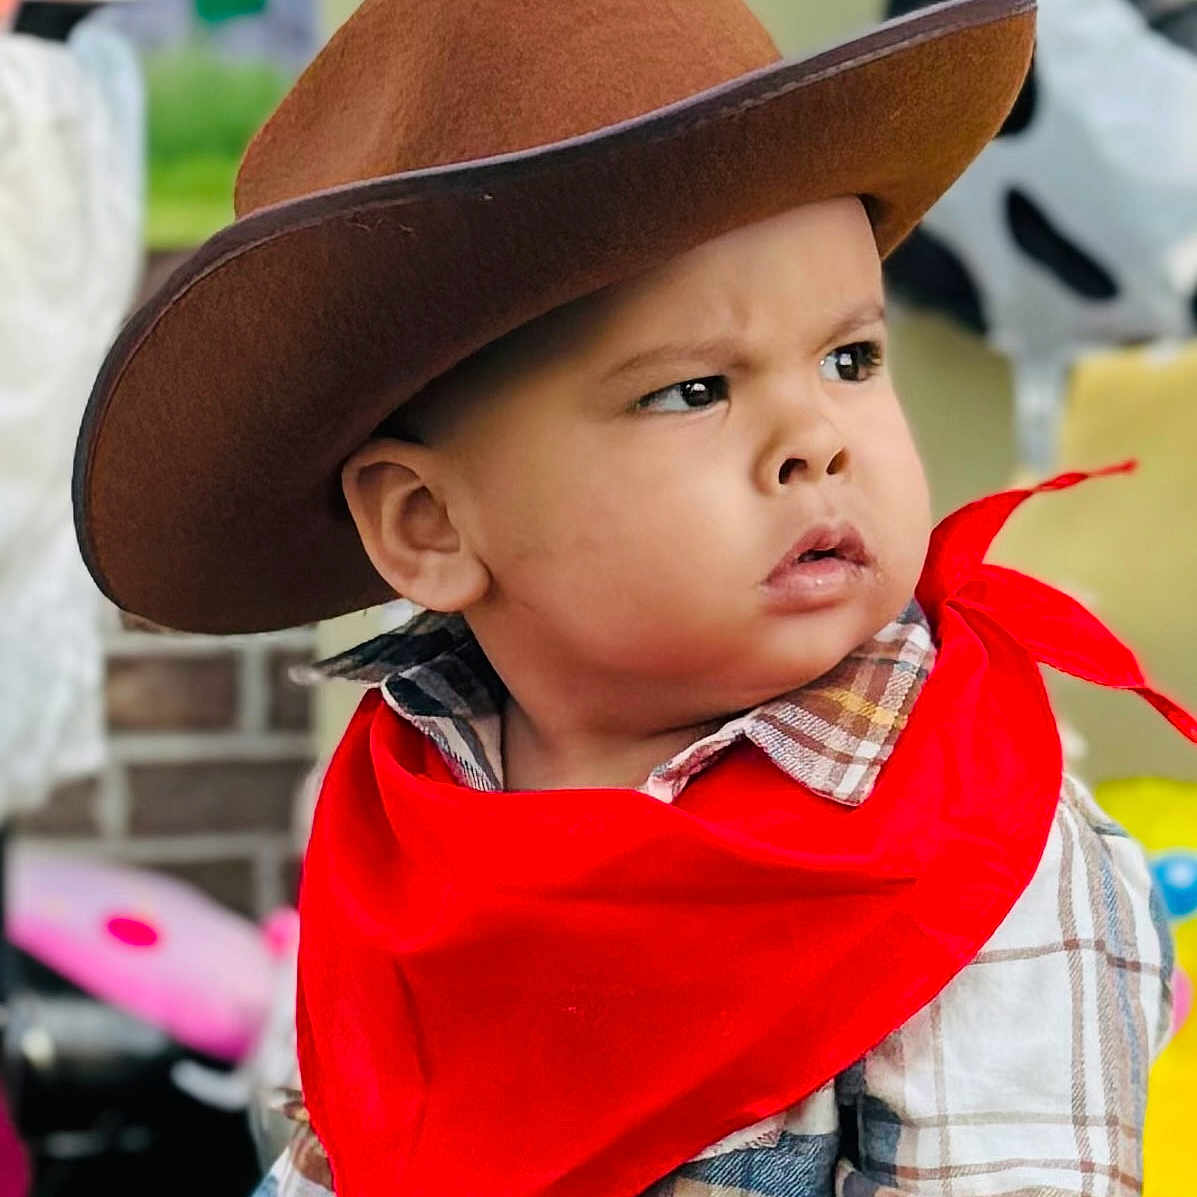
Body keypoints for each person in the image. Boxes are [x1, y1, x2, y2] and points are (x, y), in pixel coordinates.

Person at [70, 0, 1197, 1192]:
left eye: (851, 359)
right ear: (428, 524)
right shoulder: (407, 816)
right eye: (693, 391)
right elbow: (345, 1151)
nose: (815, 438)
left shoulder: (971, 839)